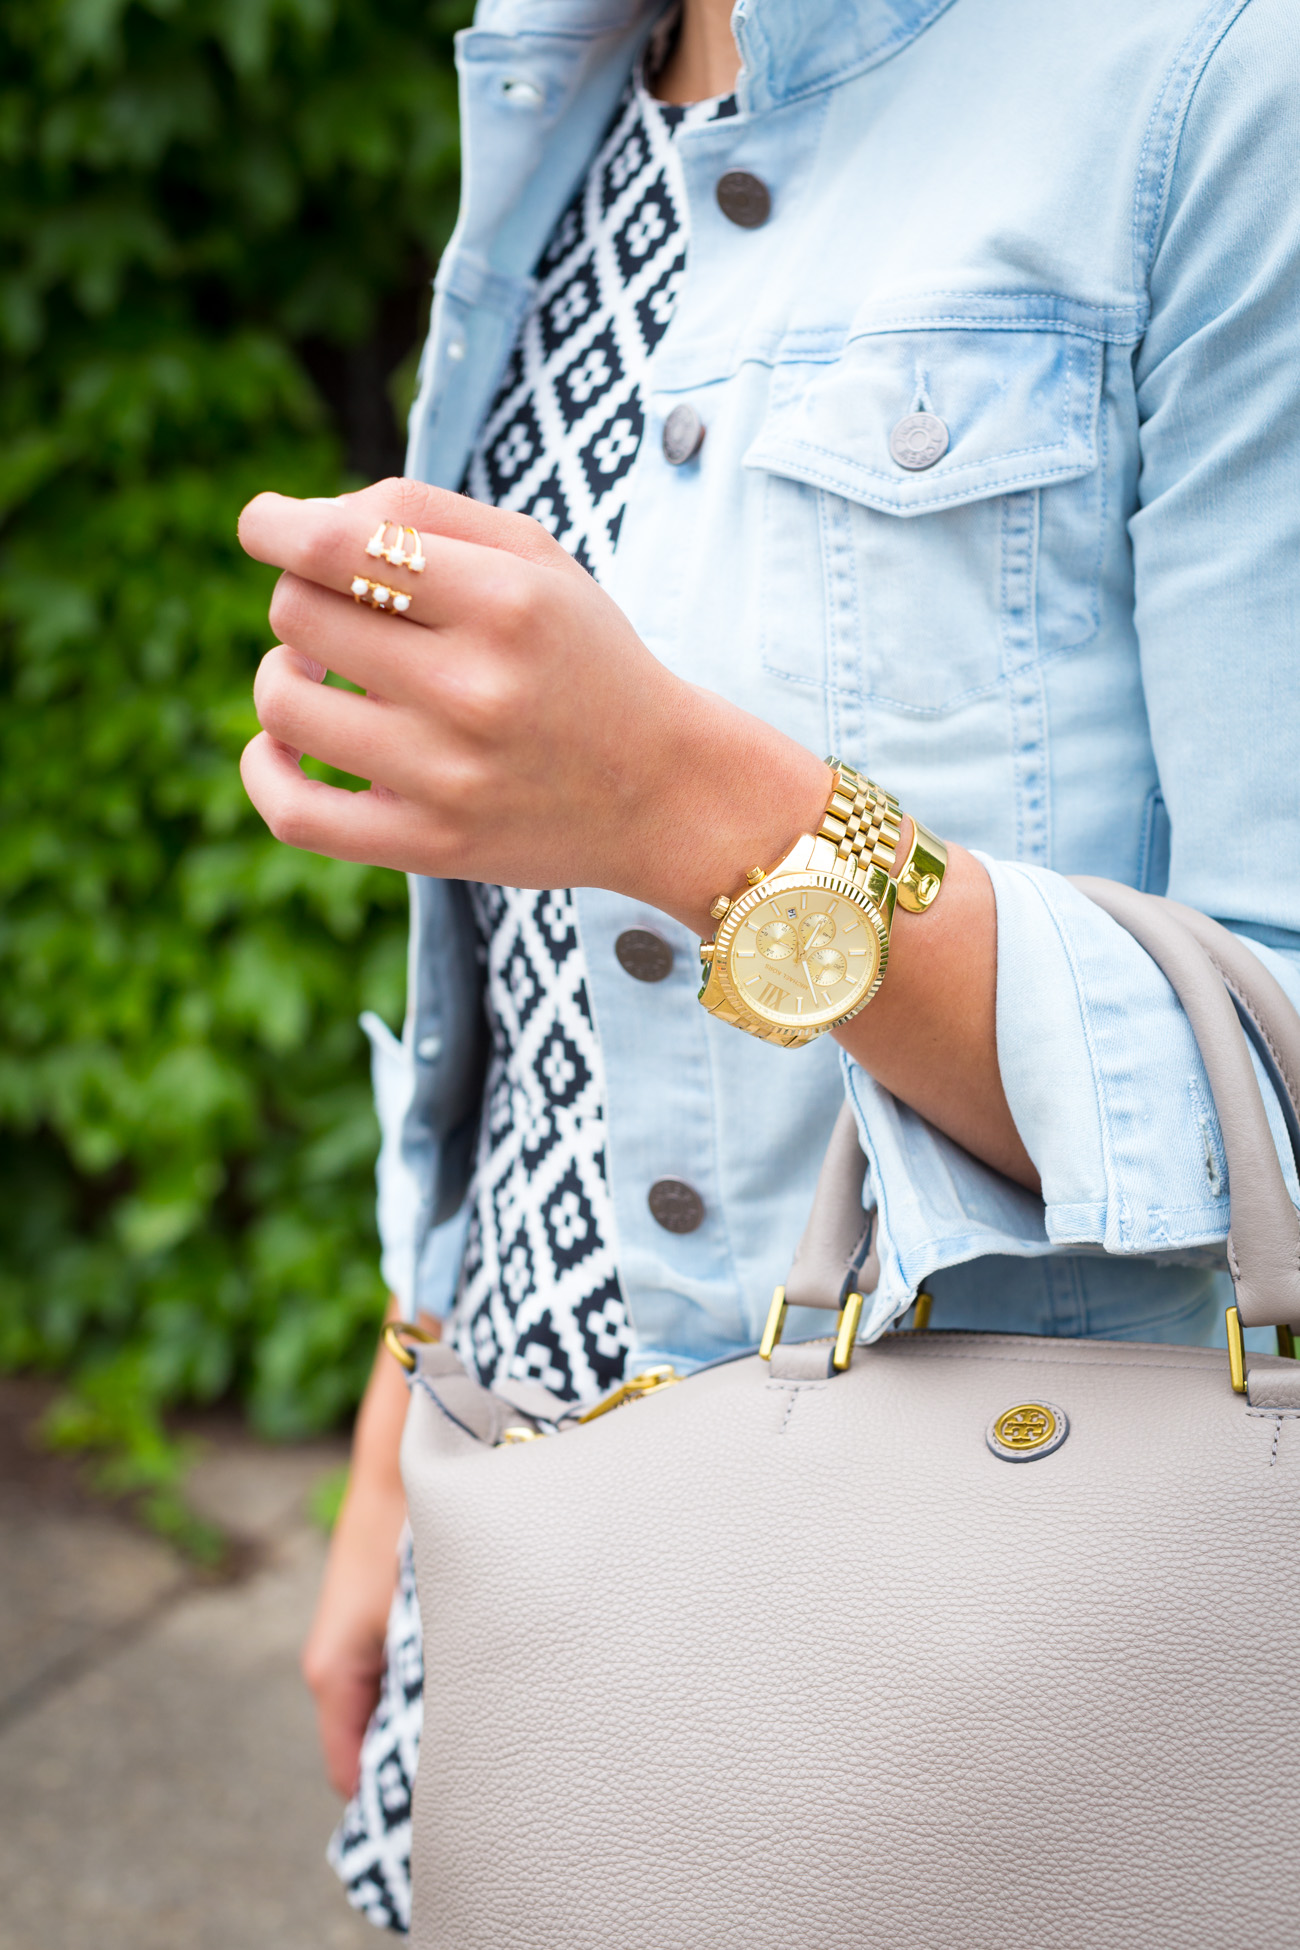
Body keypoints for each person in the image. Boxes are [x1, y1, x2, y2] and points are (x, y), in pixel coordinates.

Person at [236, 0, 1300, 1930]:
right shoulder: (565, 79)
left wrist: (697, 813)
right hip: (524, 1552)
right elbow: (535, 997)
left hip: (971, 1686)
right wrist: (405, 1434)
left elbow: (1284, 1062)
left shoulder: (1221, 88)